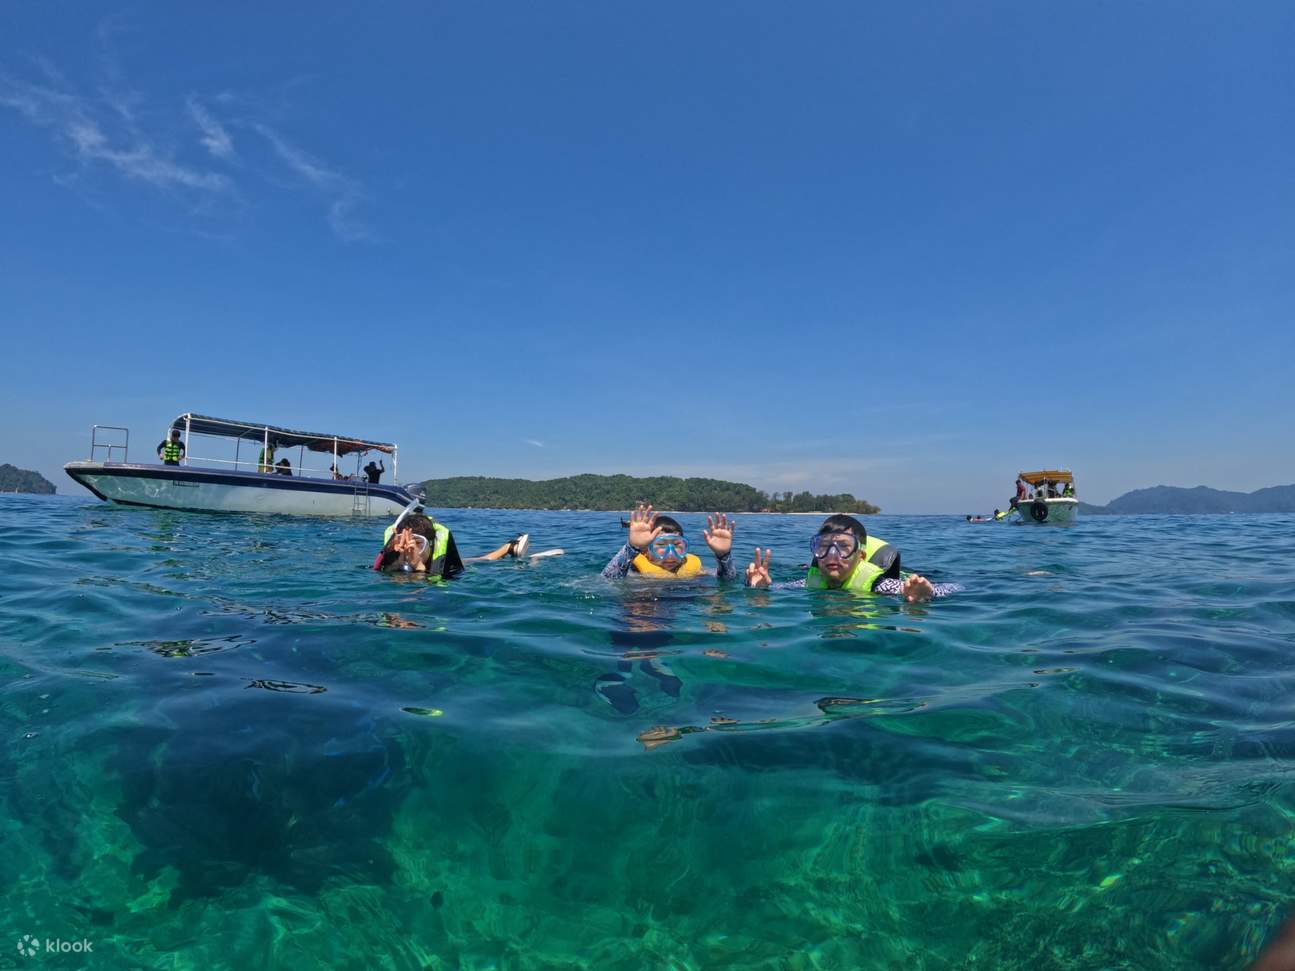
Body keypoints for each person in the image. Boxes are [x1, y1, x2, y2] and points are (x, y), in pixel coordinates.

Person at [744, 514, 960, 602]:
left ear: (861, 556)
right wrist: (762, 587)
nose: (832, 555)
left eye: (844, 547)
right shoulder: (808, 582)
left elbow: (954, 587)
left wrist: (929, 593)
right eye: (824, 547)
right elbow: (779, 588)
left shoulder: (882, 585)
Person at [601, 503, 737, 579]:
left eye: (677, 545)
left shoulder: (695, 571)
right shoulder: (635, 575)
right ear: (645, 551)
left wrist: (723, 555)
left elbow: (727, 580)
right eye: (661, 545)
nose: (670, 553)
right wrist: (632, 548)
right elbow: (607, 579)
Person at [373, 513, 530, 577]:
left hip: (445, 567)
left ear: (431, 545)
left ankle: (509, 547)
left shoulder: (445, 568)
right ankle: (508, 547)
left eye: (418, 544)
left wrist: (419, 566)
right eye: (404, 542)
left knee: (484, 560)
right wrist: (397, 562)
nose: (409, 549)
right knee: (482, 558)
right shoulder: (394, 557)